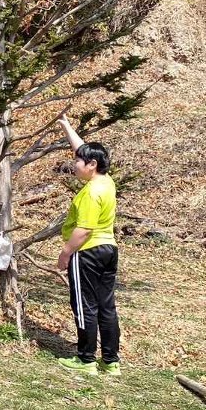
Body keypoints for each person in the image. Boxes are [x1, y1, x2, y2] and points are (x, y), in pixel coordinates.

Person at [55, 113, 120, 377]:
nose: (74, 165)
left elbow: (84, 230)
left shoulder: (92, 193)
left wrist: (65, 254)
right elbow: (82, 148)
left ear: (92, 164)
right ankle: (110, 361)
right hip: (108, 250)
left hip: (87, 252)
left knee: (84, 305)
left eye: (78, 162)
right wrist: (66, 126)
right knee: (106, 306)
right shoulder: (106, 180)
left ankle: (85, 359)